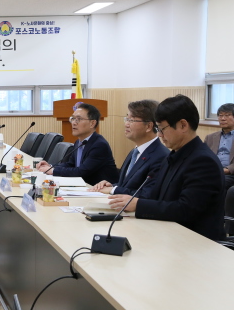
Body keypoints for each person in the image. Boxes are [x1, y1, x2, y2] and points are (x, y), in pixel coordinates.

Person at [109, 95, 225, 241]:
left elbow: (186, 210)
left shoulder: (202, 161)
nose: (159, 134)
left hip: (195, 241)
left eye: (162, 128)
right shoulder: (173, 156)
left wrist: (139, 205)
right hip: (167, 233)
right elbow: (156, 197)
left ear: (183, 125)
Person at [91, 100, 168, 195]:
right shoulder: (135, 151)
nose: (126, 124)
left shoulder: (161, 156)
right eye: (127, 119)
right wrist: (112, 186)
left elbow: (148, 194)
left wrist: (114, 190)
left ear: (148, 126)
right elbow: (126, 185)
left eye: (131, 120)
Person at [36, 103, 118, 185]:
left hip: (100, 189)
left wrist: (53, 170)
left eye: (78, 119)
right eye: (73, 119)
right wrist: (50, 166)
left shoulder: (99, 145)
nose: (74, 123)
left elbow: (81, 172)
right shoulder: (79, 142)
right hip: (84, 186)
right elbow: (71, 164)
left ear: (92, 123)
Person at [205, 103, 234, 190]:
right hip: (211, 171)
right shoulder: (210, 137)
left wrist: (226, 170)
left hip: (230, 174)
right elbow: (202, 156)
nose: (223, 118)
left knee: (215, 182)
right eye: (220, 115)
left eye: (227, 115)